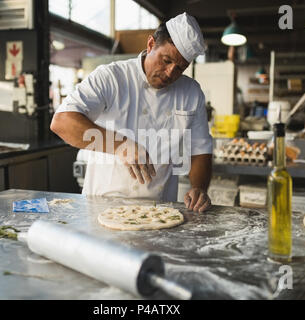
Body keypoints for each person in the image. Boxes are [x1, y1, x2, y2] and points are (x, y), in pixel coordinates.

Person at [51, 12, 213, 213]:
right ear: (151, 44)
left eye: (180, 68)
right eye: (166, 60)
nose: (171, 73)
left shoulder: (191, 93)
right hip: (102, 207)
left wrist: (199, 188)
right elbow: (62, 122)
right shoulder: (112, 77)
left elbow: (200, 150)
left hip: (159, 211)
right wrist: (120, 145)